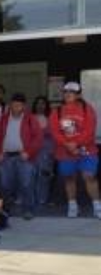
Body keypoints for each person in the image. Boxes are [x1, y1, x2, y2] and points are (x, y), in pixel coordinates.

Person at [49, 81, 101, 219]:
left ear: (79, 95)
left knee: (89, 176)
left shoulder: (87, 109)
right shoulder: (57, 111)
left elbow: (90, 131)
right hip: (65, 151)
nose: (68, 94)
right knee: (69, 178)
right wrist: (68, 145)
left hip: (86, 150)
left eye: (72, 92)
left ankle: (97, 206)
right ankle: (73, 206)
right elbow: (54, 132)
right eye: (66, 92)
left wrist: (76, 144)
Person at [0, 92, 43, 219]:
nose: (16, 108)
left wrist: (29, 153)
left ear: (24, 106)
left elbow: (38, 138)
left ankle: (28, 210)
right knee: (6, 185)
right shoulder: (2, 119)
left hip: (24, 157)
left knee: (26, 184)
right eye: (14, 105)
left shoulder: (30, 119)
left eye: (19, 106)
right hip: (6, 157)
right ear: (10, 105)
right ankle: (5, 210)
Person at [32, 96, 55, 208]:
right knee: (31, 175)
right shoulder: (29, 118)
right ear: (34, 105)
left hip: (46, 151)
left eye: (43, 103)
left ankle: (43, 199)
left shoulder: (51, 118)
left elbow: (54, 137)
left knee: (45, 175)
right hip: (32, 151)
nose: (40, 106)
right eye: (38, 103)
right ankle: (30, 198)